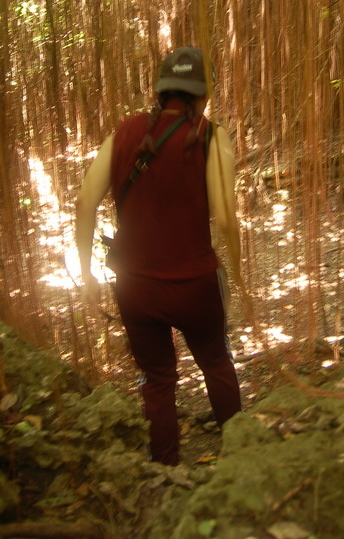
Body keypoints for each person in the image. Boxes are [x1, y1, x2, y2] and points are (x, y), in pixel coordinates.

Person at [75, 46, 243, 466]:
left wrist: (87, 275)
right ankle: (241, 451)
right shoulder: (210, 136)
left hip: (133, 287)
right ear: (202, 94)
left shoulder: (124, 132)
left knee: (158, 379)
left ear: (161, 91)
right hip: (193, 285)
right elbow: (224, 218)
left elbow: (84, 202)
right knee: (216, 361)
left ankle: (166, 469)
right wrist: (237, 271)